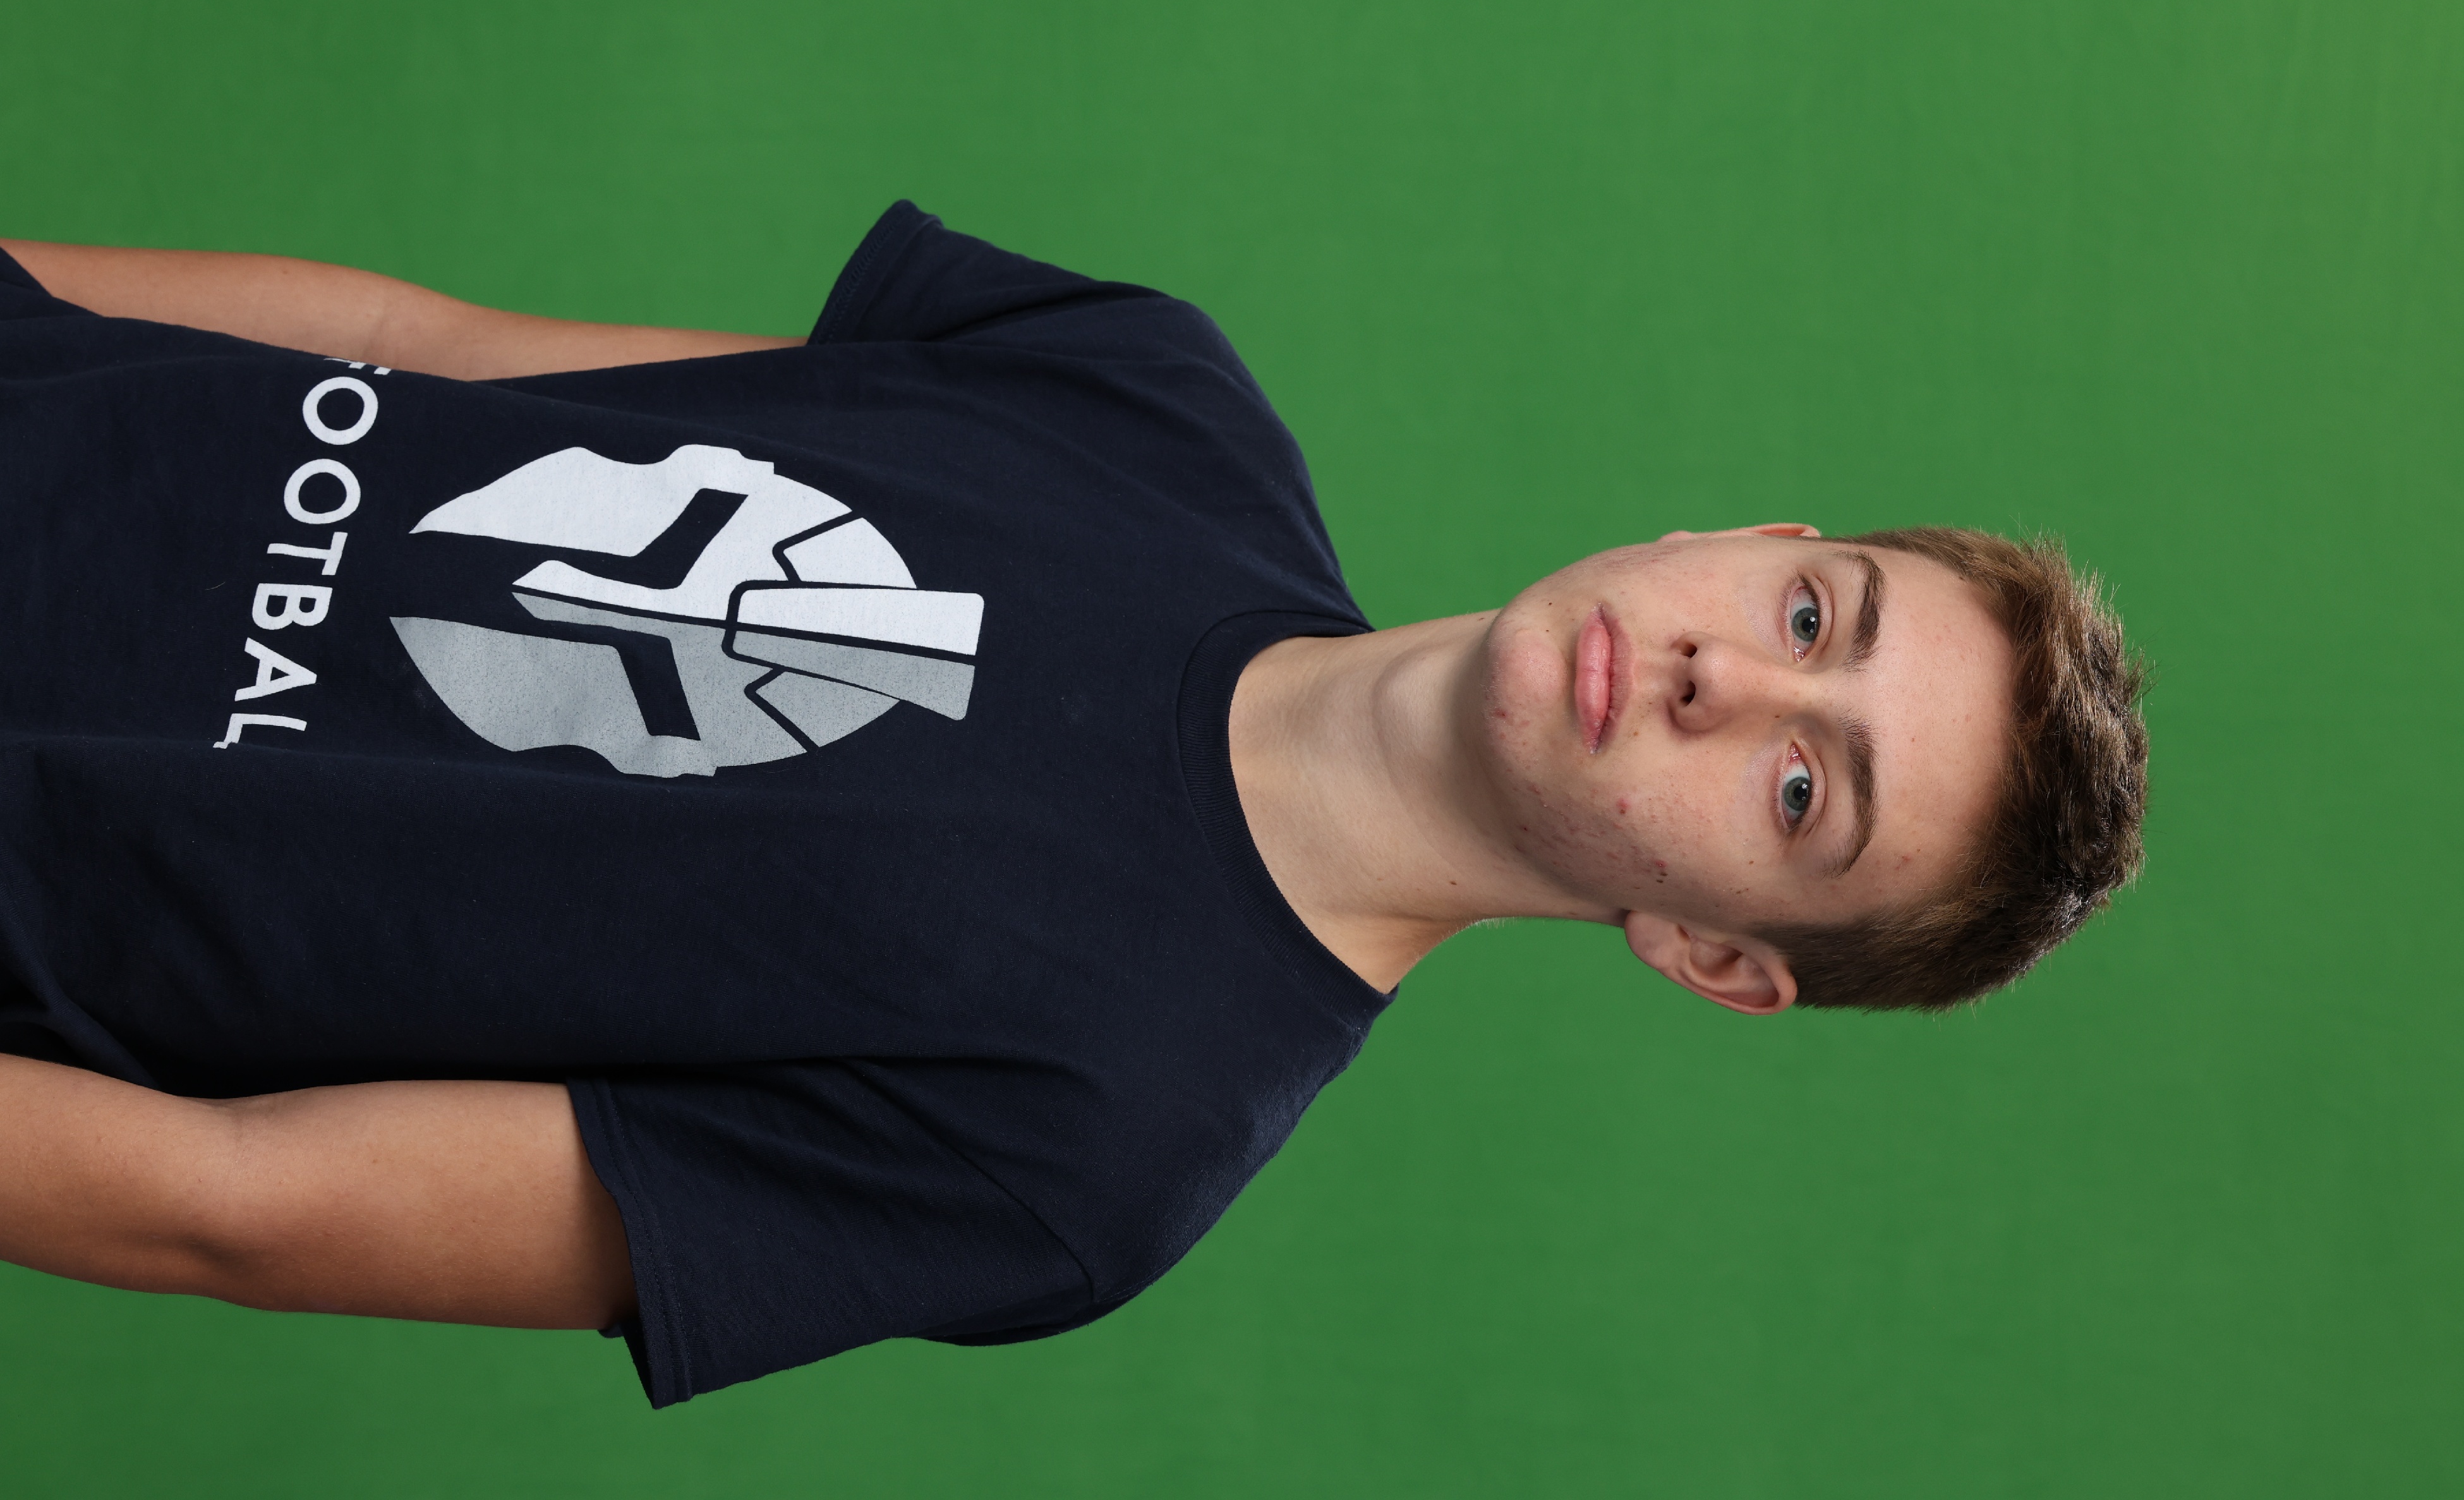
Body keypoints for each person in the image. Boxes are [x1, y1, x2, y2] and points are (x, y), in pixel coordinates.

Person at [0, 205, 2147, 1405]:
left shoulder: (1084, 1154)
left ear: (1710, 955)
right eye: (1809, 614)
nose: (1721, 677)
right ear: (1743, 538)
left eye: (1800, 787)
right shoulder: (1146, 395)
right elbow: (420, 340)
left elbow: (235, 1201)